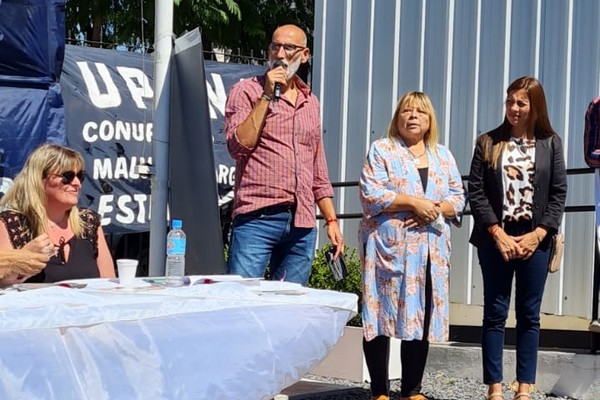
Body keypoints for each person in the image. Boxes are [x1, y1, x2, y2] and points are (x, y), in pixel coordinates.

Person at [359, 91, 466, 400]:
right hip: (389, 252)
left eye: (420, 112)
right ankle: (379, 389)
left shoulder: (443, 155)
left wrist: (435, 208)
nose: (412, 116)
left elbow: (458, 197)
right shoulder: (382, 150)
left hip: (430, 252)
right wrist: (414, 203)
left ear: (430, 119)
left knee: (421, 314)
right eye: (406, 111)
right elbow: (371, 193)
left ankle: (412, 390)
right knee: (380, 315)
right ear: (397, 118)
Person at [468, 76, 567, 400]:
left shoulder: (551, 143)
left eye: (521, 103)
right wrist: (496, 232)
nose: (513, 108)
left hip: (535, 241)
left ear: (535, 105)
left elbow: (558, 193)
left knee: (529, 314)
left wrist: (539, 234)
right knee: (495, 312)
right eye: (510, 101)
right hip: (496, 238)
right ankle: (494, 387)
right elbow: (477, 192)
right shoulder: (488, 141)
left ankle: (524, 388)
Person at [224, 24, 343, 285]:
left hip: (301, 222)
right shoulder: (246, 91)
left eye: (289, 47)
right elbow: (237, 146)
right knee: (241, 302)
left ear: (305, 54)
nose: (280, 53)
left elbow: (317, 165)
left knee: (290, 310)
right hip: (258, 218)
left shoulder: (311, 101)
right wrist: (267, 95)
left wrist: (331, 219)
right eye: (275, 46)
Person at [0, 144, 115, 284]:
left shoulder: (89, 223)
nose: (77, 183)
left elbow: (109, 284)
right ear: (39, 179)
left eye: (80, 176)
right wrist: (22, 259)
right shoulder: (12, 224)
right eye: (67, 176)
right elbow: (4, 287)